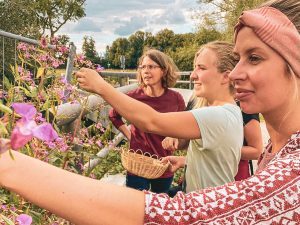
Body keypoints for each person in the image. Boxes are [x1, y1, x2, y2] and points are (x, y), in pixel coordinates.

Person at [0, 0, 299, 224]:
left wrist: (8, 163)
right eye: (237, 59)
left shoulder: (287, 172)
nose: (236, 73)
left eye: (255, 58)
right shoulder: (278, 146)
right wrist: (184, 156)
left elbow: (153, 123)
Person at [161, 41, 244, 193]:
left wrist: (103, 88)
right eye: (195, 68)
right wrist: (187, 161)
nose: (193, 75)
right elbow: (217, 160)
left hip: (206, 208)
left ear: (226, 77)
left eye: (201, 68)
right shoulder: (226, 111)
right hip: (209, 200)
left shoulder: (218, 115)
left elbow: (151, 121)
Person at [108, 49, 185, 193]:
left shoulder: (176, 98)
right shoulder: (133, 97)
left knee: (159, 206)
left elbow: (183, 126)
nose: (146, 71)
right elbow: (113, 115)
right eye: (143, 67)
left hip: (164, 165)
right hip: (137, 164)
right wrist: (130, 135)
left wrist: (174, 135)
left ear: (163, 70)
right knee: (135, 207)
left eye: (151, 67)